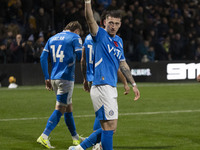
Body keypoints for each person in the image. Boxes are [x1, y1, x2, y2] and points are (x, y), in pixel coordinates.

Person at [68, 1, 140, 150]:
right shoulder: (99, 35)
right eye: (111, 22)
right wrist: (88, 2)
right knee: (109, 128)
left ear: (120, 25)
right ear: (104, 23)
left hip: (110, 86)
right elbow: (89, 19)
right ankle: (83, 148)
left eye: (117, 23)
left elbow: (123, 65)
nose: (113, 26)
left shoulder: (118, 41)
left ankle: (79, 148)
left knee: (111, 128)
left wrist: (133, 84)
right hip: (101, 86)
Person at [37, 21, 85, 149]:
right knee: (60, 108)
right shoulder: (75, 37)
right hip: (66, 78)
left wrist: (46, 77)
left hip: (54, 77)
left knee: (68, 107)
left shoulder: (52, 38)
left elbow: (42, 57)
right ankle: (44, 136)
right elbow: (81, 56)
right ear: (76, 30)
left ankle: (75, 138)